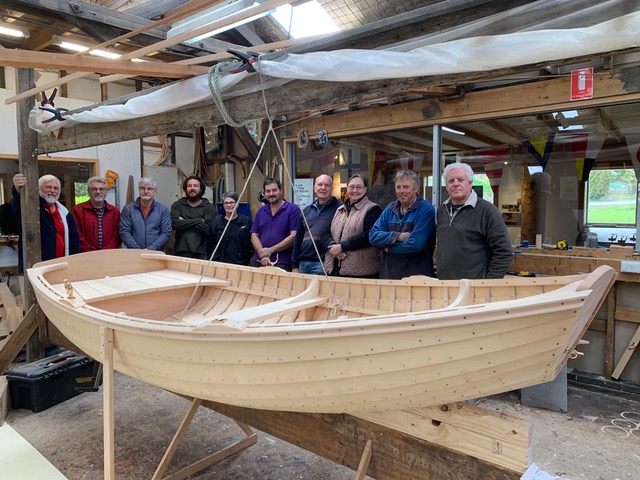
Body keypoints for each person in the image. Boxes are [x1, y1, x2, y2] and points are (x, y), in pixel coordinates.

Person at [436, 162, 513, 279]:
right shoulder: (442, 210)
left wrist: (489, 284)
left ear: (470, 183)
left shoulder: (488, 211)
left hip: (474, 288)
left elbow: (503, 252)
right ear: (446, 186)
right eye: (451, 181)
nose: (455, 184)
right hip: (444, 286)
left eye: (460, 179)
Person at [369, 169, 436, 279]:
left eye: (406, 187)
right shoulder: (389, 209)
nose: (401, 191)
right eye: (398, 187)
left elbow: (415, 244)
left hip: (417, 278)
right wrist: (398, 236)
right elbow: (373, 236)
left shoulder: (426, 210)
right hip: (389, 277)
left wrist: (389, 248)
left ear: (416, 188)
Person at [11, 173, 80, 271]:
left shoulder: (65, 213)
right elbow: (17, 207)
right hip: (38, 267)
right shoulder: (32, 209)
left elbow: (74, 241)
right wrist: (17, 191)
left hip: (62, 265)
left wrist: (75, 263)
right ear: (38, 189)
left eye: (56, 188)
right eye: (48, 187)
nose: (52, 191)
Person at [323, 174, 382, 278]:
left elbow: (369, 235)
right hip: (334, 270)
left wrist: (342, 247)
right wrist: (333, 248)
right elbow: (325, 232)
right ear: (347, 189)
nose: (355, 190)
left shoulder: (373, 209)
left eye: (358, 187)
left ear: (365, 189)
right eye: (351, 187)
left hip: (361, 273)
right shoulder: (339, 210)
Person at [292, 174, 340, 274]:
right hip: (303, 263)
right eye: (320, 184)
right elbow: (298, 240)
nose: (323, 188)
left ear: (332, 188)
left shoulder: (340, 209)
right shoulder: (306, 211)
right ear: (314, 188)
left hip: (323, 263)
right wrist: (295, 265)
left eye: (326, 185)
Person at [250, 177, 300, 271]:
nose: (271, 194)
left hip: (281, 262)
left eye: (274, 190)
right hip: (258, 261)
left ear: (281, 191)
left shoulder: (293, 210)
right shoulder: (261, 211)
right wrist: (263, 255)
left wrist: (270, 250)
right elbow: (254, 235)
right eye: (268, 191)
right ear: (264, 193)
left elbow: (294, 236)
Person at [120, 177, 172, 251]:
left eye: (149, 189)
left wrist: (151, 249)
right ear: (139, 189)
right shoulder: (128, 209)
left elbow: (166, 233)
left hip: (156, 253)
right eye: (142, 188)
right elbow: (124, 232)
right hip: (134, 253)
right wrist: (137, 250)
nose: (146, 191)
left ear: (155, 191)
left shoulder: (163, 210)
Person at [170, 175, 216, 259]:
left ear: (201, 189)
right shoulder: (177, 205)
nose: (192, 188)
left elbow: (208, 228)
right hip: (181, 251)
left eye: (196, 186)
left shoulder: (209, 207)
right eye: (189, 186)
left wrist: (184, 222)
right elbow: (175, 224)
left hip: (202, 252)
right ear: (185, 189)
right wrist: (199, 220)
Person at [72, 176, 121, 252]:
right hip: (86, 256)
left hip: (109, 255)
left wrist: (105, 252)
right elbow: (77, 235)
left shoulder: (114, 211)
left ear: (106, 191)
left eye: (101, 189)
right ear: (88, 191)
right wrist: (92, 252)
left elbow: (117, 236)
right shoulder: (78, 210)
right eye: (94, 189)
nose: (98, 192)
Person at [205, 191, 253, 265]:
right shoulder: (216, 223)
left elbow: (252, 241)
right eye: (226, 203)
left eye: (232, 202)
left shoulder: (246, 221)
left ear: (237, 204)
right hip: (220, 263)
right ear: (223, 205)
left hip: (242, 263)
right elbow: (209, 245)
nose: (229, 205)